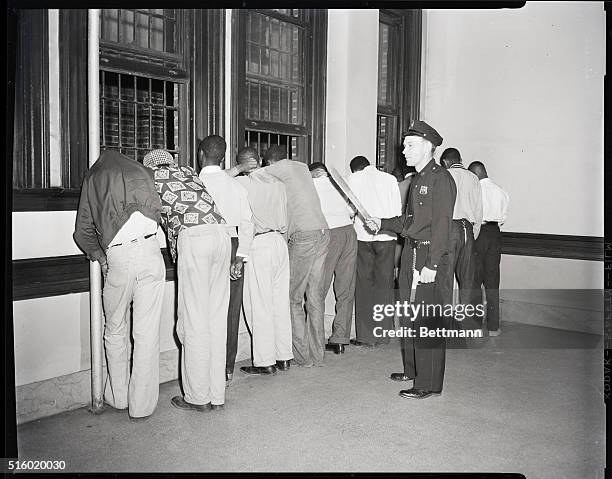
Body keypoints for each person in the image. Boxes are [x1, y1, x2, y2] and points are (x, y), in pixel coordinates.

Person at [366, 120, 456, 399]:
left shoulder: (440, 179)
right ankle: (412, 370)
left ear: (429, 147)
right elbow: (410, 221)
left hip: (428, 255)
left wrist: (432, 265)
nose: (403, 150)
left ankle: (428, 383)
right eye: (404, 145)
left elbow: (442, 225)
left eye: (410, 145)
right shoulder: (418, 179)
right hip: (410, 253)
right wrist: (381, 222)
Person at [73, 149, 165, 421]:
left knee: (114, 328)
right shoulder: (141, 171)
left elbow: (83, 230)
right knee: (147, 332)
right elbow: (159, 209)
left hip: (119, 256)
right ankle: (142, 406)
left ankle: (119, 396)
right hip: (151, 251)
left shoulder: (94, 177)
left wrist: (99, 257)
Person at [143, 149, 230, 412]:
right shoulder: (189, 172)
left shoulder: (152, 178)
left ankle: (197, 397)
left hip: (195, 238)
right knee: (216, 319)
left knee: (193, 321)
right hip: (221, 235)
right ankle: (217, 394)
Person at [249, 145, 329, 367]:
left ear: (269, 162)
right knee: (314, 297)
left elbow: (252, 174)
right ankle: (318, 354)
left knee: (292, 297)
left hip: (304, 235)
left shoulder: (277, 168)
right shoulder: (301, 167)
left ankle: (303, 357)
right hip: (323, 231)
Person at [198, 135, 254, 384]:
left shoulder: (194, 183)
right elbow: (248, 224)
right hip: (233, 244)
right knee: (230, 310)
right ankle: (226, 368)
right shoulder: (236, 186)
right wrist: (240, 257)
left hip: (201, 244)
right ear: (223, 157)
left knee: (202, 307)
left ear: (201, 154)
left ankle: (202, 368)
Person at [233, 147, 293, 375]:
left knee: (259, 304)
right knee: (279, 302)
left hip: (259, 244)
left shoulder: (243, 183)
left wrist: (239, 170)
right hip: (279, 241)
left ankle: (265, 361)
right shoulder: (278, 182)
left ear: (242, 164)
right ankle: (284, 356)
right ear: (258, 160)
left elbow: (216, 180)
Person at [348, 156, 402, 347]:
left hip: (363, 237)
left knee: (363, 286)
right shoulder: (390, 179)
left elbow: (349, 211)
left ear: (355, 169)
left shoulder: (354, 179)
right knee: (385, 285)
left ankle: (365, 335)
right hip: (386, 237)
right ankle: (384, 333)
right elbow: (397, 212)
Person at [309, 162, 357, 354]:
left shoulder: (312, 185)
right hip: (348, 232)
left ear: (313, 173)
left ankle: (315, 339)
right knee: (346, 288)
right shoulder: (339, 183)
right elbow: (352, 209)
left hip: (328, 233)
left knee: (318, 287)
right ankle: (340, 338)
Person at [440, 147, 483, 332]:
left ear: (445, 162)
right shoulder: (473, 178)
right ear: (460, 160)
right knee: (468, 279)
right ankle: (468, 326)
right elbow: (479, 211)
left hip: (449, 229)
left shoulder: (444, 175)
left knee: (445, 279)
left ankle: (445, 326)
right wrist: (474, 233)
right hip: (468, 229)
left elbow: (440, 210)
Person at [468, 161, 510, 337]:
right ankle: (493, 327)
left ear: (475, 174)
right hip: (495, 233)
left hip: (478, 233)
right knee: (493, 281)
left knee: (475, 280)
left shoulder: (476, 190)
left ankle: (476, 325)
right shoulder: (501, 190)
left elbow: (470, 214)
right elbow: (503, 218)